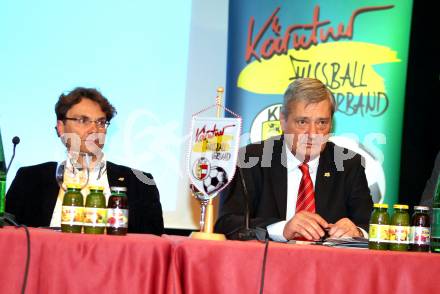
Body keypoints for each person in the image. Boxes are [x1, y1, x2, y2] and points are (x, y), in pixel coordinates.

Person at [215, 78, 373, 241]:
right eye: (302, 122)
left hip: (328, 265)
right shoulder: (250, 159)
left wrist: (358, 231)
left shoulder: (349, 164)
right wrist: (281, 229)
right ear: (283, 121)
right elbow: (226, 224)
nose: (313, 133)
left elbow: (371, 225)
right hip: (267, 263)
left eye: (322, 122)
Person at [5, 87, 164, 235]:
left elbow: (153, 247)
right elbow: (8, 237)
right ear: (61, 127)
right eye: (83, 120)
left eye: (101, 122)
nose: (94, 130)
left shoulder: (141, 182)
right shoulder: (30, 179)